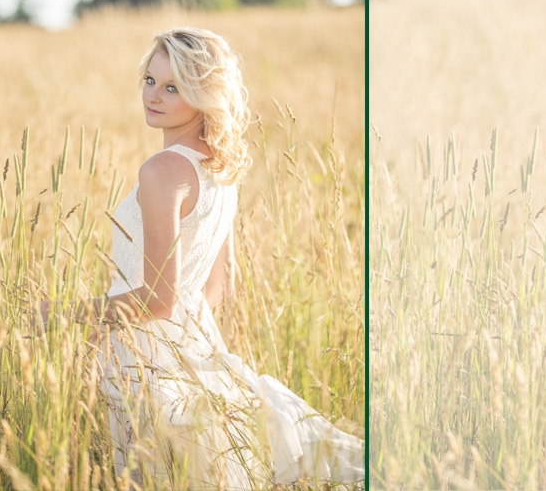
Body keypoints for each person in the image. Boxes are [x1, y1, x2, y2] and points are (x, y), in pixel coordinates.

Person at [38, 27, 364, 490]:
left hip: (144, 363)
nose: (154, 95)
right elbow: (216, 287)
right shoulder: (220, 168)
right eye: (150, 80)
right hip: (195, 351)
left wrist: (65, 313)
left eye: (174, 87)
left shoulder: (163, 170)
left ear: (204, 94)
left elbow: (159, 300)